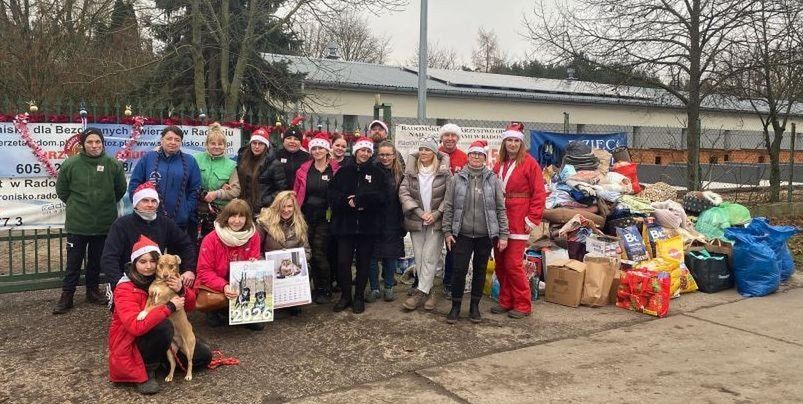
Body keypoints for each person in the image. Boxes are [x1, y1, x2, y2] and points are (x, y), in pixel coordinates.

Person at [108, 235, 211, 395]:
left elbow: (191, 307)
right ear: (134, 263)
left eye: (153, 262)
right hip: (132, 344)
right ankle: (147, 371)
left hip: (164, 336)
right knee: (163, 325)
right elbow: (136, 327)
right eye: (142, 262)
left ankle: (163, 358)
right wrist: (169, 307)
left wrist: (181, 290)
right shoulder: (124, 288)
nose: (149, 266)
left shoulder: (164, 279)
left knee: (203, 357)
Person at [53, 127, 127, 314]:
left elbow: (120, 190)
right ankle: (67, 295)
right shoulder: (70, 164)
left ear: (103, 143)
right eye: (90, 142)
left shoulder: (113, 164)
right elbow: (62, 191)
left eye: (98, 142)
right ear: (82, 145)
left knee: (97, 261)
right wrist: (76, 204)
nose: (94, 146)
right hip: (78, 224)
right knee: (73, 262)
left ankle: (92, 291)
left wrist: (102, 204)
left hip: (103, 223)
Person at [442, 140, 509, 324]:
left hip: (484, 235)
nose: (476, 157)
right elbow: (448, 206)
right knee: (459, 270)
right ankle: (455, 307)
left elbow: (500, 208)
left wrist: (503, 234)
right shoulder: (457, 179)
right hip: (461, 234)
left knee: (480, 271)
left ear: (485, 158)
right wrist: (447, 232)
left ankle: (474, 307)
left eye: (480, 155)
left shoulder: (492, 179)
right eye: (473, 154)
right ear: (468, 156)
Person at [492, 122, 546, 319]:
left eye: (516, 140)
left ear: (521, 143)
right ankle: (506, 300)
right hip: (501, 218)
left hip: (518, 218)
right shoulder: (500, 164)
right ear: (504, 142)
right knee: (500, 263)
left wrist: (532, 218)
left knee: (514, 263)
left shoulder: (530, 163)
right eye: (509, 140)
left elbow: (539, 193)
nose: (512, 144)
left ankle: (523, 304)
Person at [329, 136, 388, 314]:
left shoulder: (378, 174)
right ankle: (346, 296)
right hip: (345, 225)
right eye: (362, 150)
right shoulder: (343, 171)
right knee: (343, 262)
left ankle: (359, 296)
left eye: (369, 151)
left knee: (363, 263)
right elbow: (332, 194)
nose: (365, 153)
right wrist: (346, 203)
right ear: (356, 151)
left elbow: (382, 197)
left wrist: (360, 200)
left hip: (367, 227)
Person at [102, 182, 198, 290]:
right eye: (145, 200)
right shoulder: (121, 225)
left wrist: (189, 270)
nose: (150, 204)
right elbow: (109, 258)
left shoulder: (165, 223)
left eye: (153, 201)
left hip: (158, 279)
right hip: (128, 279)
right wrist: (119, 282)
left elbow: (186, 245)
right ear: (136, 203)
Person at [398, 137, 452, 312]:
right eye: (421, 149)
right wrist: (420, 213)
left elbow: (449, 196)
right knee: (420, 257)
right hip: (417, 219)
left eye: (427, 149)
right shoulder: (411, 170)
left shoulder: (445, 172)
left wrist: (436, 214)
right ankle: (429, 292)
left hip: (436, 221)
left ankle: (420, 293)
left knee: (430, 256)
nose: (423, 153)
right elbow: (404, 193)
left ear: (434, 152)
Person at [195, 199, 263, 329]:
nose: (237, 221)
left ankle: (244, 312)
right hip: (216, 282)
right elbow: (204, 271)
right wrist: (224, 286)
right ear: (226, 217)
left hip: (241, 282)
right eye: (233, 216)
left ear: (247, 218)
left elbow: (254, 258)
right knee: (218, 305)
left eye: (241, 216)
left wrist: (254, 264)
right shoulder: (211, 239)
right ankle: (215, 310)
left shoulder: (253, 236)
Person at [128, 126, 202, 235]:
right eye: (169, 138)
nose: (173, 142)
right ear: (161, 140)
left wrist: (186, 210)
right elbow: (134, 184)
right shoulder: (148, 158)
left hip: (179, 222)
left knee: (177, 252)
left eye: (177, 140)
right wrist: (141, 206)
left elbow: (195, 190)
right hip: (149, 220)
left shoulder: (190, 161)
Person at [293, 134, 341, 304]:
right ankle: (313, 287)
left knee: (320, 252)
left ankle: (325, 288)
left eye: (321, 148)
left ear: (327, 150)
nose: (317, 151)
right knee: (309, 253)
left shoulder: (335, 169)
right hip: (306, 216)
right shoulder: (304, 169)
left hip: (326, 217)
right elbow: (296, 192)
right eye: (314, 148)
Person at [366, 141, 405, 303]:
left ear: (394, 155)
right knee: (372, 257)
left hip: (393, 220)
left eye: (388, 154)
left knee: (390, 256)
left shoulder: (400, 174)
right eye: (382, 154)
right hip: (373, 220)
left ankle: (389, 287)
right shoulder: (370, 171)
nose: (385, 158)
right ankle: (375, 288)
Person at [437, 123, 469, 299]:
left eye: (453, 135)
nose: (450, 138)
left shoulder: (464, 158)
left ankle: (449, 282)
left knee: (452, 248)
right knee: (430, 247)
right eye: (446, 135)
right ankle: (419, 281)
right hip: (434, 207)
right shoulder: (433, 154)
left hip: (456, 209)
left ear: (458, 138)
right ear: (441, 137)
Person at [196, 122, 241, 240]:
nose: (216, 146)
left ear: (225, 146)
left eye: (220, 144)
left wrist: (218, 193)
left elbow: (236, 190)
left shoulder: (231, 165)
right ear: (207, 144)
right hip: (197, 210)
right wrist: (202, 194)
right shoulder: (196, 159)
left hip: (220, 214)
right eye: (213, 143)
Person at [237, 128, 287, 217]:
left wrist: (263, 201)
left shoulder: (275, 164)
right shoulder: (243, 160)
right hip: (243, 207)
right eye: (254, 143)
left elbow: (281, 190)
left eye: (260, 144)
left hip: (263, 210)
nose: (256, 146)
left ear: (266, 146)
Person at [257, 190, 311, 262]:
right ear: (277, 206)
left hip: (293, 268)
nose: (286, 210)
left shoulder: (300, 224)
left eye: (289, 206)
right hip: (270, 268)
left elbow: (306, 251)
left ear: (294, 207)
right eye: (282, 206)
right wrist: (266, 265)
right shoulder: (264, 223)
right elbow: (255, 250)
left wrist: (298, 262)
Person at [276, 126, 311, 190]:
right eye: (289, 138)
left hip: (301, 195)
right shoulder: (276, 156)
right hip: (281, 196)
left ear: (300, 143)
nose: (292, 141)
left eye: (296, 139)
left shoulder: (308, 157)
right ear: (283, 141)